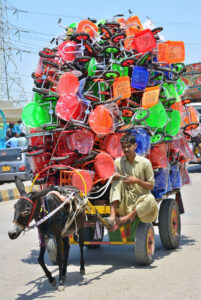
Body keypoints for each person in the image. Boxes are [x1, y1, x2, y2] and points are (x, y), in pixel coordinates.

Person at [105, 133, 158, 230]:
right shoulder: (117, 162)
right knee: (117, 182)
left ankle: (125, 219)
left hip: (139, 200)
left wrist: (137, 181)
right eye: (123, 147)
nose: (126, 149)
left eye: (129, 146)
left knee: (150, 199)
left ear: (135, 146)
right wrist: (113, 179)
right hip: (124, 202)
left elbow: (151, 186)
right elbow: (113, 186)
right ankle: (112, 217)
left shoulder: (145, 163)